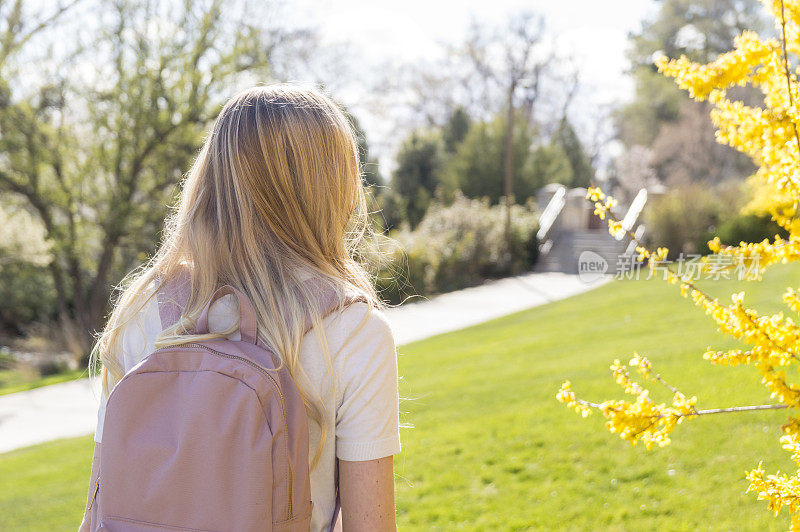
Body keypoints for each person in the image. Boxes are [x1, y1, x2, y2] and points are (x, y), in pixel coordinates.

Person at [80, 84, 401, 531]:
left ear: (214, 175)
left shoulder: (145, 307)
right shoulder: (352, 330)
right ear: (333, 185)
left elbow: (101, 500)